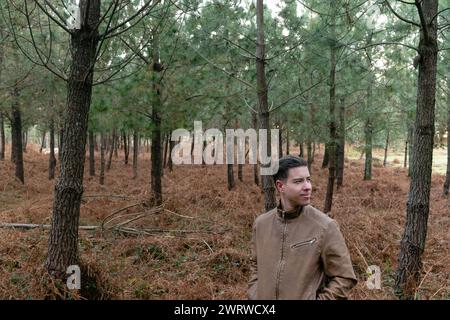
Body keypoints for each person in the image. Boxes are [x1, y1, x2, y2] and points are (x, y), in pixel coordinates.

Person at [248, 155, 357, 300]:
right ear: (281, 186)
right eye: (299, 181)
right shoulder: (262, 224)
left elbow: (344, 277)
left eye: (308, 179)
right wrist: (255, 295)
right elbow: (255, 266)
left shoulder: (324, 226)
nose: (308, 187)